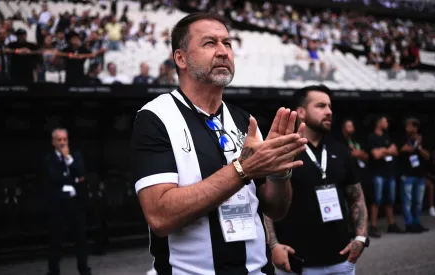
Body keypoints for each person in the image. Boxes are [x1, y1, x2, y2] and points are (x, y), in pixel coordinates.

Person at [130, 12, 307, 275]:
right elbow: (160, 216)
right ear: (181, 58)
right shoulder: (155, 117)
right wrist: (243, 169)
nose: (223, 52)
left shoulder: (244, 120)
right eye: (210, 43)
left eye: (228, 43)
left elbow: (275, 209)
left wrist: (279, 174)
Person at [265, 85, 369, 275]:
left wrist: (361, 238)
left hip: (342, 261)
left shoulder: (340, 151)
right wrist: (273, 245)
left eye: (330, 106)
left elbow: (356, 197)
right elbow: (268, 204)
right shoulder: (282, 151)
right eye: (321, 106)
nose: (329, 112)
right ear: (301, 112)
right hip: (296, 263)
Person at [45, 128, 91, 275]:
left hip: (74, 203)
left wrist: (68, 160)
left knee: (80, 239)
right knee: (56, 240)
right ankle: (53, 271)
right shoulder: (49, 159)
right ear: (53, 142)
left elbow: (82, 174)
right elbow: (54, 178)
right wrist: (74, 179)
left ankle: (84, 270)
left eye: (65, 139)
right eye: (59, 140)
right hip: (58, 205)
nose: (62, 143)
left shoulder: (75, 156)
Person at [367, 116, 405, 237]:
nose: (387, 123)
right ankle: (373, 226)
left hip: (390, 173)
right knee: (376, 200)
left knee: (390, 200)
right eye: (385, 121)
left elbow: (396, 151)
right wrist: (387, 150)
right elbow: (376, 155)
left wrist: (384, 150)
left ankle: (391, 224)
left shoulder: (387, 136)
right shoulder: (372, 137)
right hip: (378, 174)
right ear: (378, 123)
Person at [398, 118, 430, 233]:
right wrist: (409, 147)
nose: (407, 128)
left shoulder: (422, 140)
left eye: (409, 125)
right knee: (407, 201)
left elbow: (427, 156)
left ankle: (417, 222)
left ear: (415, 128)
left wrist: (419, 146)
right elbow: (399, 150)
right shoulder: (403, 138)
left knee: (418, 201)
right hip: (407, 174)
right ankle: (409, 224)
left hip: (420, 175)